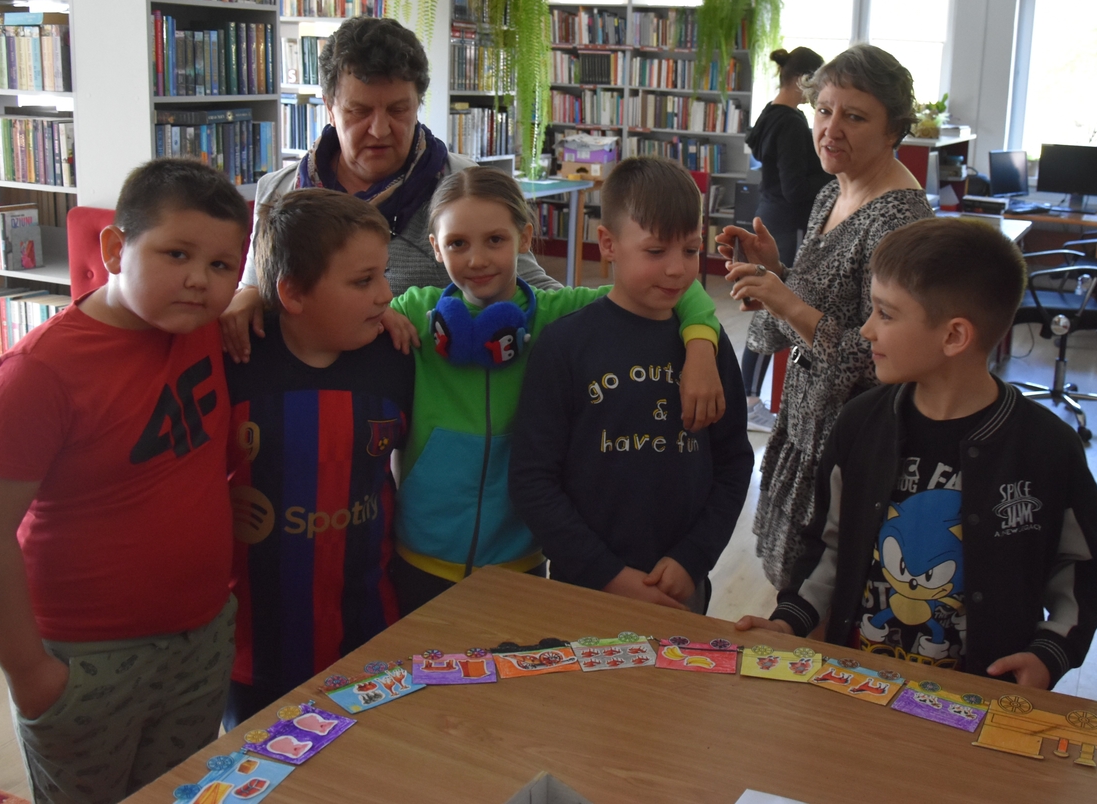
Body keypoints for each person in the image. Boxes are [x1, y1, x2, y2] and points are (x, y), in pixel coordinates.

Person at [0, 160, 249, 804]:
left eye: (222, 265)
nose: (199, 279)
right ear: (115, 249)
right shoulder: (40, 372)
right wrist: (30, 675)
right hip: (85, 659)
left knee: (178, 794)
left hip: (202, 637)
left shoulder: (203, 326)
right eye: (177, 254)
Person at [735, 218, 1097, 686]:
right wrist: (789, 620)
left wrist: (1050, 652)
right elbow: (828, 544)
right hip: (857, 680)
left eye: (885, 314)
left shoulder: (1048, 448)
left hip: (981, 695)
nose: (867, 330)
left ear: (954, 336)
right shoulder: (859, 423)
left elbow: (1079, 568)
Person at [380, 167, 727, 614]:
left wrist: (700, 348)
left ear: (525, 238)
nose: (477, 259)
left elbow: (673, 288)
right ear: (435, 247)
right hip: (420, 554)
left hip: (518, 561)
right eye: (457, 244)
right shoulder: (415, 312)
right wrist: (380, 312)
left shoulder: (560, 315)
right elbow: (357, 303)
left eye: (495, 240)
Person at [719, 43, 934, 590]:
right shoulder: (832, 193)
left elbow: (886, 361)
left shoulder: (900, 223)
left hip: (853, 451)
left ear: (893, 130)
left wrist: (786, 300)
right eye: (823, 110)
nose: (830, 129)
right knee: (791, 595)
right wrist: (775, 275)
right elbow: (828, 307)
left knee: (823, 604)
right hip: (807, 428)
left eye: (854, 117)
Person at [221, 16, 560, 361]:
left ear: (418, 105)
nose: (380, 130)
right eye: (359, 111)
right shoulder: (280, 189)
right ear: (329, 109)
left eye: (399, 110)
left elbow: (533, 289)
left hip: (429, 384)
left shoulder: (463, 186)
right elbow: (262, 289)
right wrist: (249, 295)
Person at [509, 157, 755, 612]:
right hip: (583, 584)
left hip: (680, 583)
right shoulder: (564, 345)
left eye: (690, 250)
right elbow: (532, 478)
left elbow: (734, 461)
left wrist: (693, 558)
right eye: (656, 251)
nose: (678, 269)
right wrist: (608, 576)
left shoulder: (708, 347)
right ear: (608, 244)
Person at [224, 189, 414, 729]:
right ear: (291, 293)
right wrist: (241, 298)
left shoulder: (397, 356)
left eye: (383, 274)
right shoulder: (233, 358)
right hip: (253, 647)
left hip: (369, 628)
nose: (386, 294)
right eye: (363, 281)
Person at [741, 46, 832, 433]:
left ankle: (748, 398)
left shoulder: (770, 113)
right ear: (801, 80)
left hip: (770, 214)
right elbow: (796, 187)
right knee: (771, 315)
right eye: (818, 86)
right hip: (785, 225)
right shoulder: (792, 123)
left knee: (766, 311)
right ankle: (749, 402)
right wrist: (836, 176)